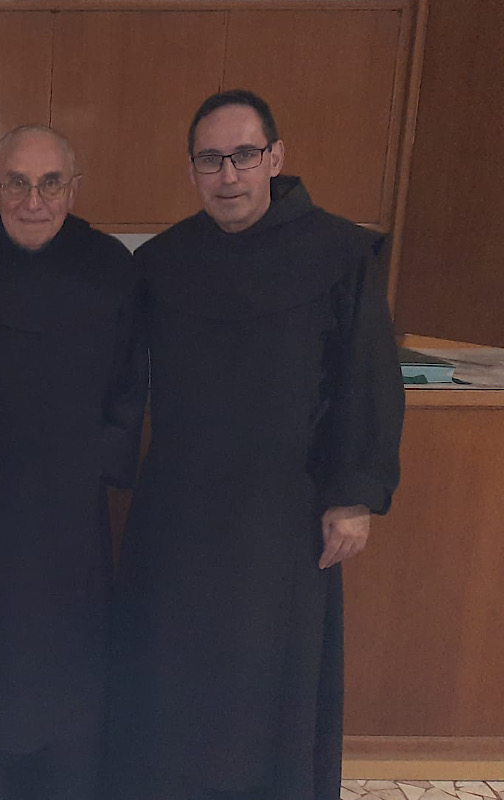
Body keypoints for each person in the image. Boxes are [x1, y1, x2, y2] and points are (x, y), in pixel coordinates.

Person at [111, 90, 405, 800]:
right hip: (179, 511)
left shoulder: (338, 253)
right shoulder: (163, 262)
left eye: (243, 155)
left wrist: (353, 496)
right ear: (192, 169)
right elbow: (113, 369)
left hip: (285, 512)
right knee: (174, 671)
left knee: (270, 677)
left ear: (275, 157)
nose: (228, 175)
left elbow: (367, 378)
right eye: (210, 160)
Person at [0, 124, 147, 800]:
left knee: (67, 668)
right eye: (17, 182)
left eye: (50, 183)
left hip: (69, 518)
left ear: (74, 189)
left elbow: (130, 385)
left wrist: (95, 464)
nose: (32, 201)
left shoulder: (110, 267)